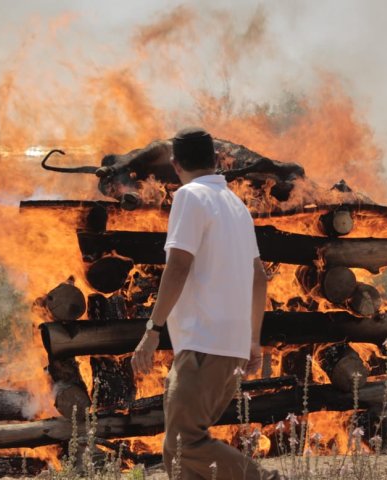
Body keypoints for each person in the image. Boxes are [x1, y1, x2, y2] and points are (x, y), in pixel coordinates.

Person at [131, 127, 282, 479]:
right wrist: (253, 339)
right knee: (183, 458)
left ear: (175, 163)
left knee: (183, 444)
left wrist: (153, 329)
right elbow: (258, 276)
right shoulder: (237, 207)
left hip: (203, 344)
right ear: (216, 160)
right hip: (229, 347)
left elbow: (179, 265)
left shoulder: (190, 196)